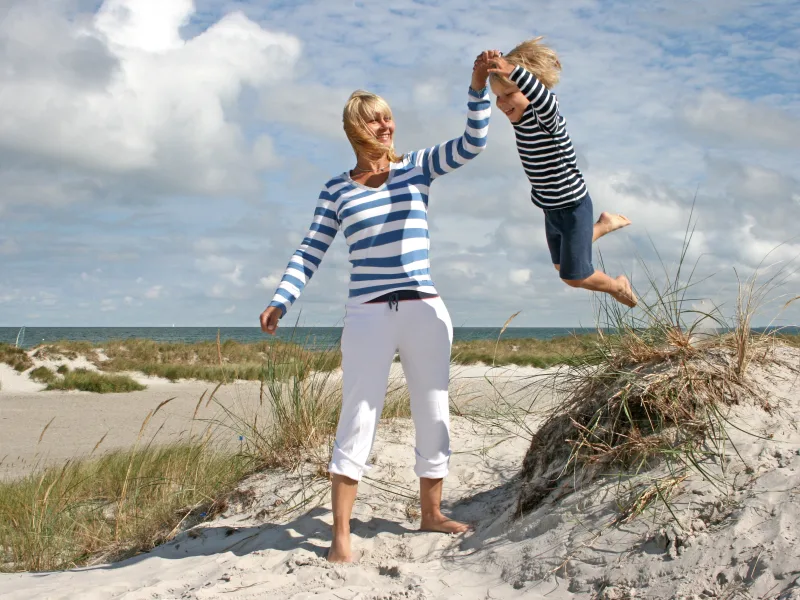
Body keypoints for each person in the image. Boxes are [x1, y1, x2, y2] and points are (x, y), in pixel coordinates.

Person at [259, 54, 493, 563]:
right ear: (354, 129)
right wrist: (282, 298)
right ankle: (340, 536)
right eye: (375, 118)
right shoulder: (336, 189)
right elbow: (310, 249)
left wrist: (476, 88)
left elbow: (473, 143)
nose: (387, 125)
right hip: (366, 313)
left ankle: (431, 514)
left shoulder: (417, 168)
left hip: (423, 310)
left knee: (432, 412)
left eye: (389, 118)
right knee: (358, 415)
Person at [482, 38, 637, 307]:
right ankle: (604, 225)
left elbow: (542, 98)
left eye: (509, 94)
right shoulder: (521, 119)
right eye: (497, 97)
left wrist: (513, 70)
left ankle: (617, 285)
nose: (502, 103)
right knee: (560, 265)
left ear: (531, 89)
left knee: (574, 276)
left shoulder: (546, 115)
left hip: (573, 206)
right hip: (550, 208)